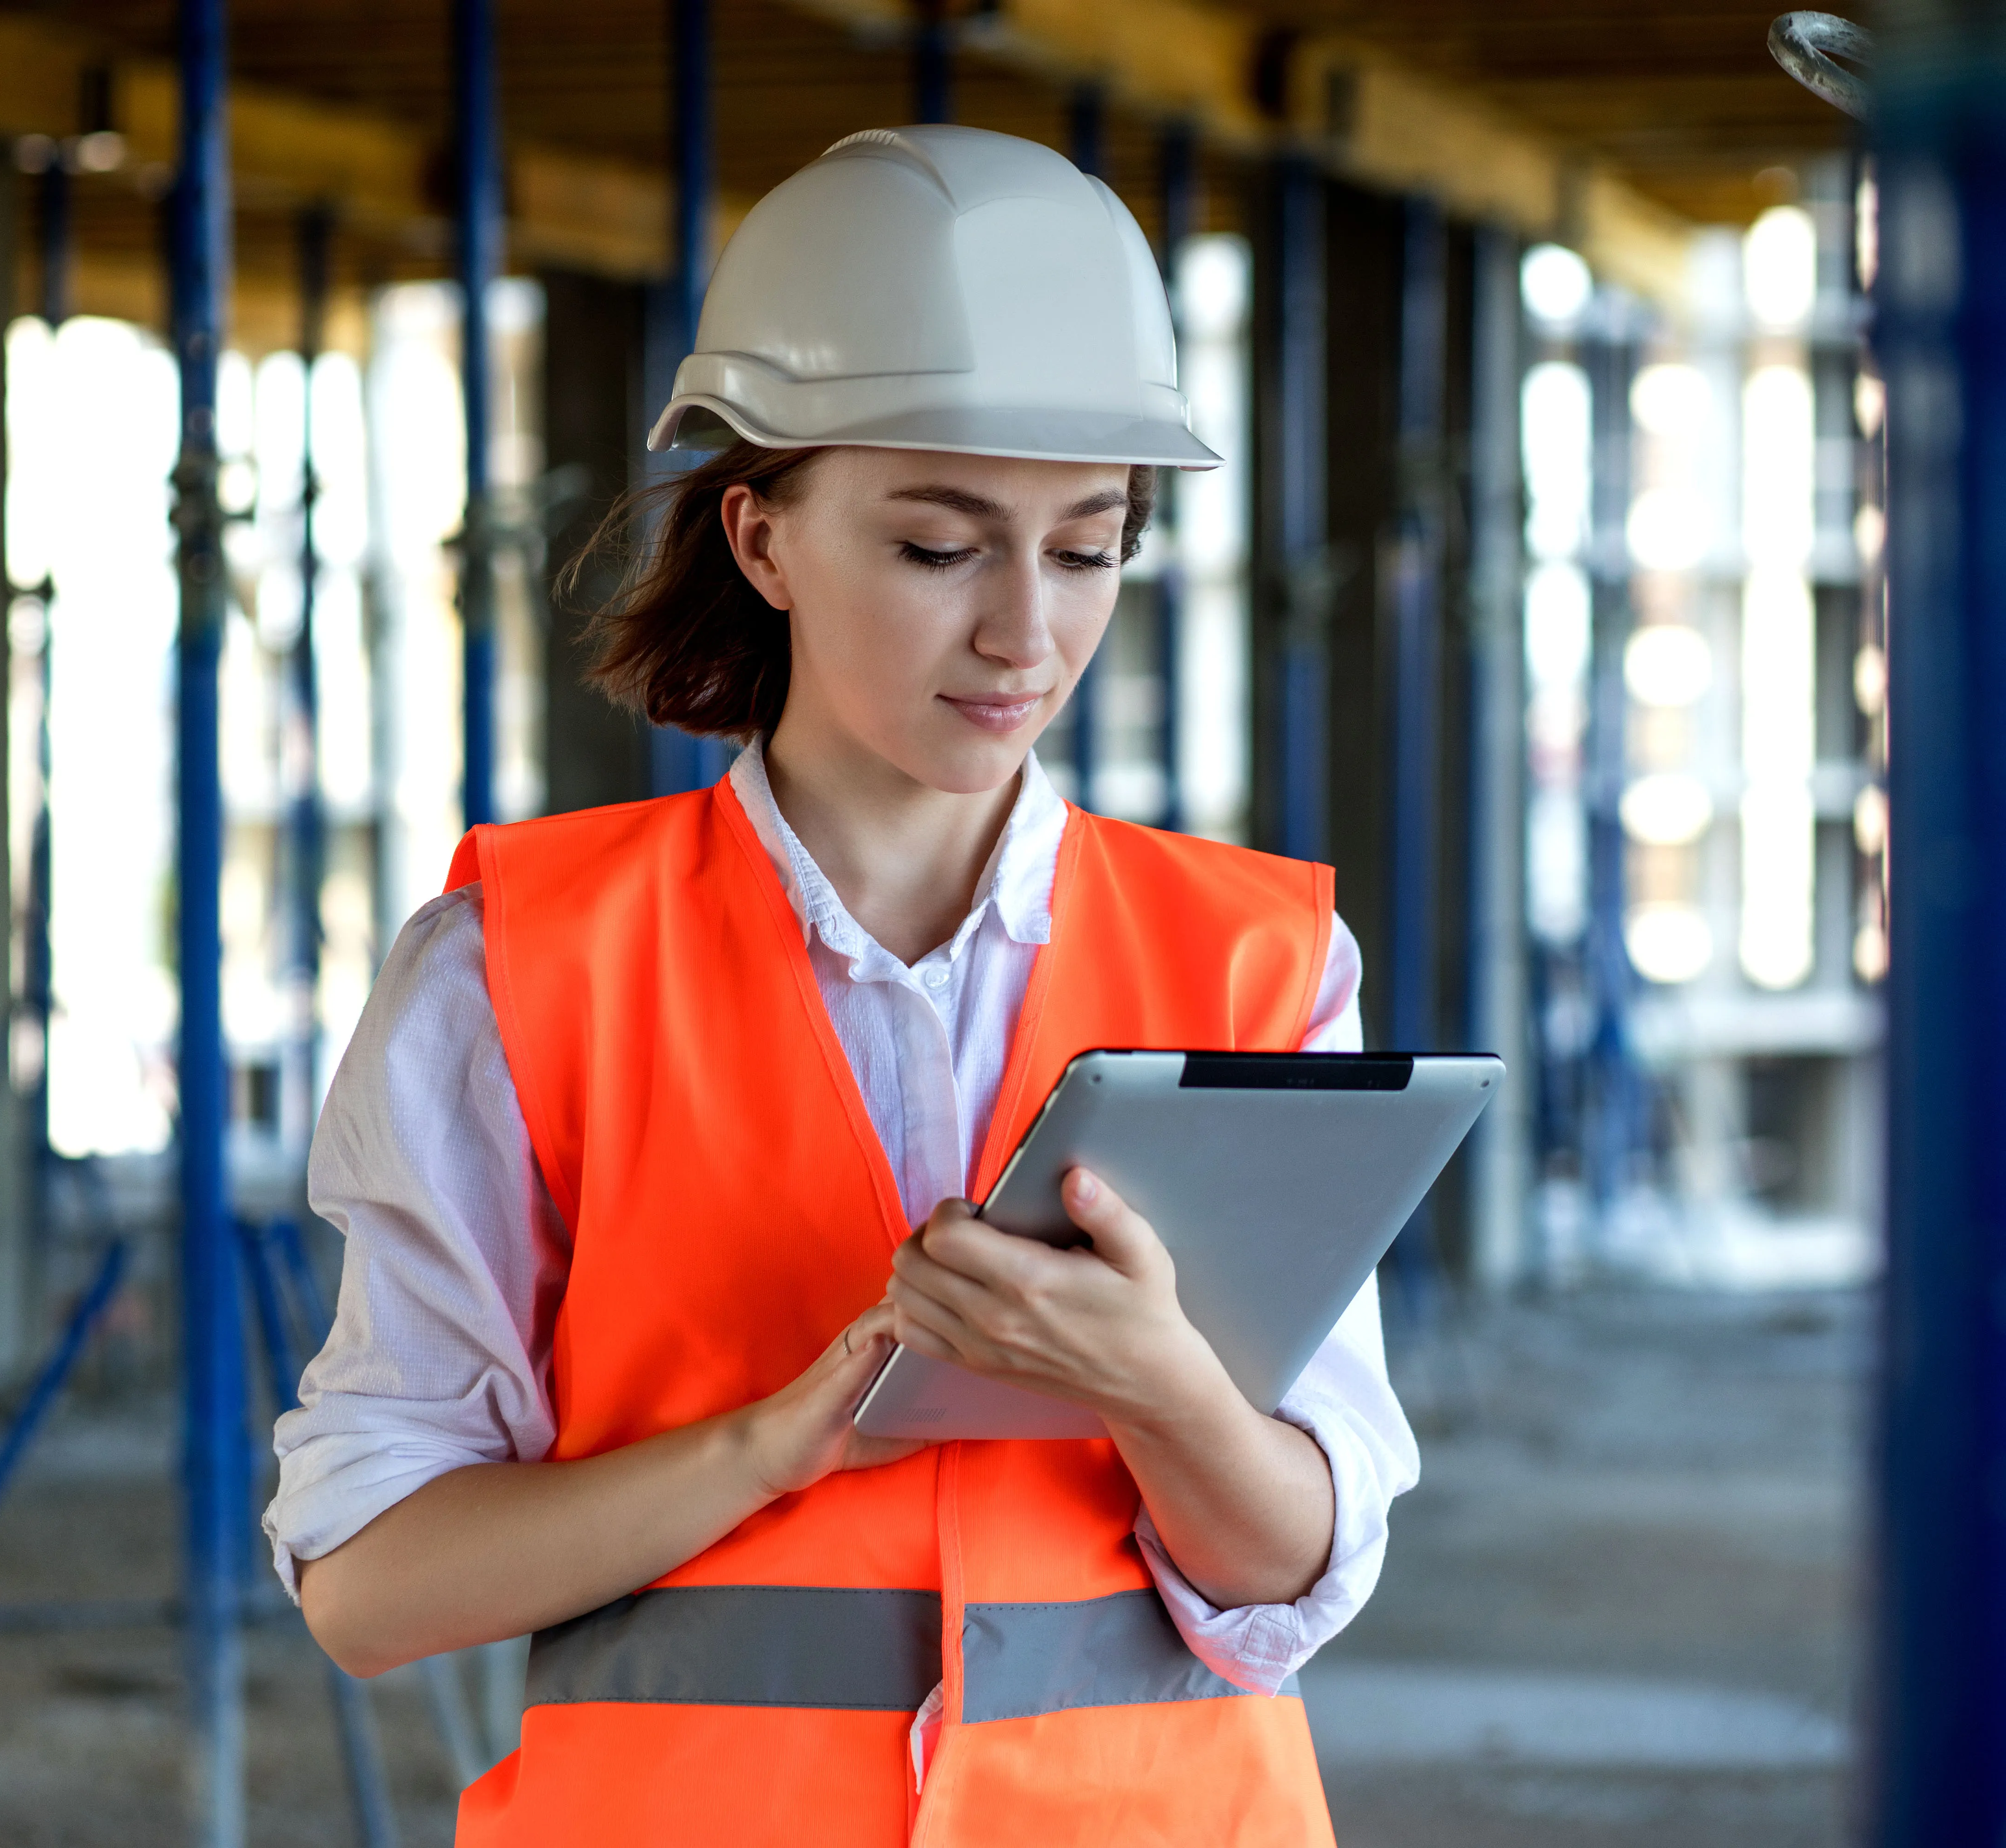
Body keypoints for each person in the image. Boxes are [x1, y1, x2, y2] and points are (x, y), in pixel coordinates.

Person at [266, 124, 1417, 1844]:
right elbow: (367, 1586)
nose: (1025, 634)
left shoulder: (1253, 963)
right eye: (941, 548)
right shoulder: (522, 969)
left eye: (1088, 548)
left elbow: (1297, 1578)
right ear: (762, 535)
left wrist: (1153, 1383)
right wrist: (768, 1451)